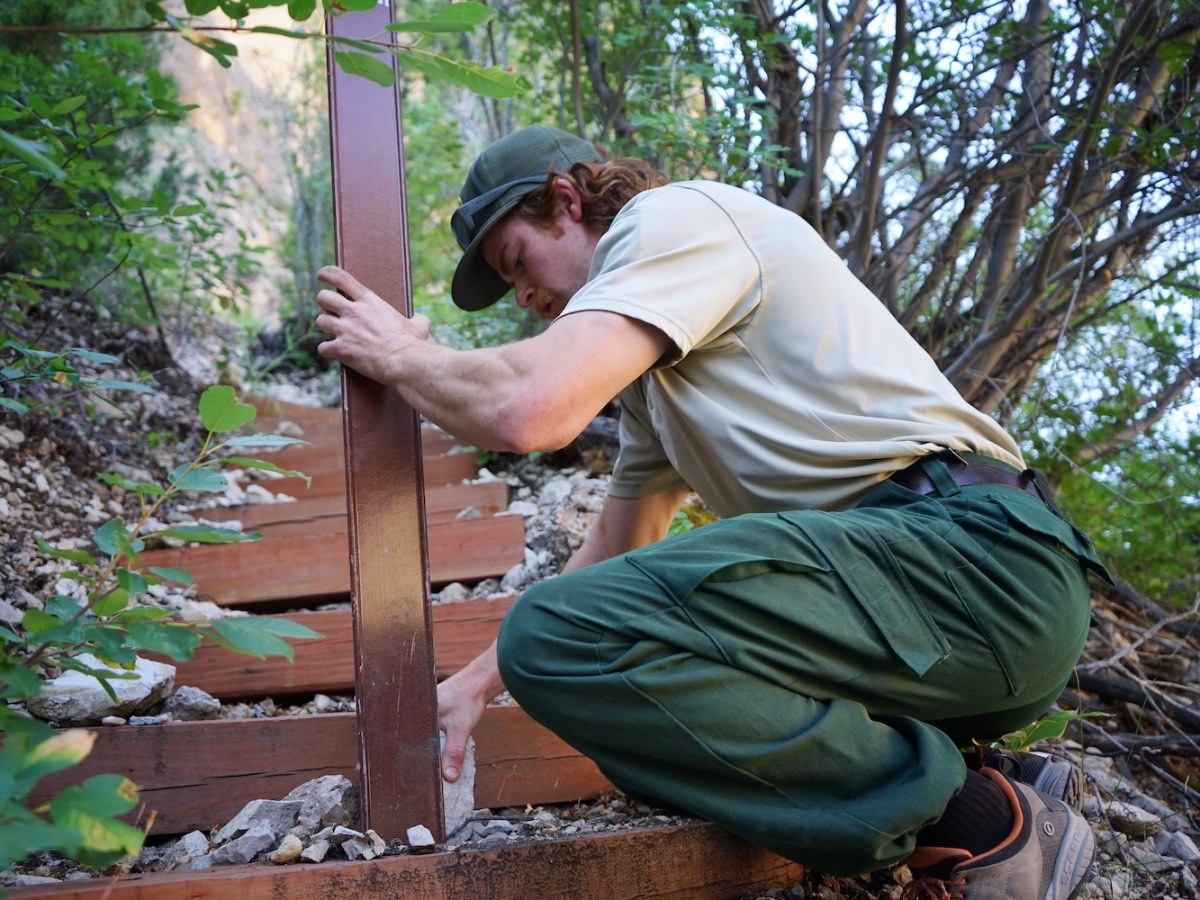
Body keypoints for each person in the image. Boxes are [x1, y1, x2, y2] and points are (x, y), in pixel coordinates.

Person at [314, 124, 1109, 897]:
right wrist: (479, 683)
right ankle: (976, 767)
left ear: (566, 199)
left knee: (559, 637)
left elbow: (531, 407)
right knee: (590, 674)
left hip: (978, 566)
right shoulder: (661, 382)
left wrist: (400, 355)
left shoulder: (674, 220)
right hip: (937, 624)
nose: (524, 297)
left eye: (517, 261)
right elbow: (615, 548)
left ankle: (977, 817)